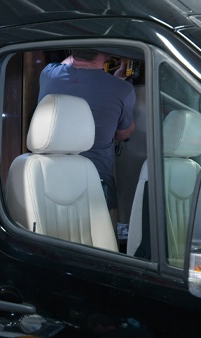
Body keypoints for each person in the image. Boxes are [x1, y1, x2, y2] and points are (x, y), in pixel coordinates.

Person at [38, 49, 136, 226]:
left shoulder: (48, 74)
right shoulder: (123, 89)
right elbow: (124, 133)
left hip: (48, 178)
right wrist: (117, 81)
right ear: (104, 53)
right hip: (97, 179)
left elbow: (68, 63)